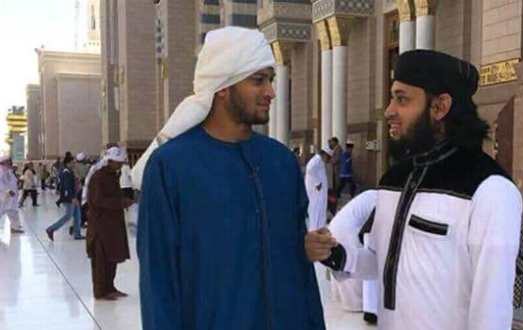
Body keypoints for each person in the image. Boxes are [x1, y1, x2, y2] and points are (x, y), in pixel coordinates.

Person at [306, 50, 523, 330]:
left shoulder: (489, 190)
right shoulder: (394, 180)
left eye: (402, 99)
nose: (389, 111)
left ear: (439, 107)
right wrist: (334, 254)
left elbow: (491, 311)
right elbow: (381, 262)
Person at [135, 27, 324, 330]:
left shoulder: (280, 162)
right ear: (222, 86)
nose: (270, 92)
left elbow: (301, 273)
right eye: (258, 80)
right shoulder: (171, 167)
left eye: (270, 80)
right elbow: (158, 281)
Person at [86, 147, 132, 301]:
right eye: (117, 163)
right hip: (100, 227)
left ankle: (110, 288)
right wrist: (121, 203)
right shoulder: (98, 177)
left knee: (112, 258)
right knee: (101, 261)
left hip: (112, 226)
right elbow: (98, 201)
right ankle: (100, 292)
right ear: (110, 161)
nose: (119, 165)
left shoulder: (112, 176)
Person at [328, 190, 377, 317]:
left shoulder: (372, 194)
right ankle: (359, 306)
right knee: (355, 267)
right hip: (348, 231)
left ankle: (351, 302)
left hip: (336, 226)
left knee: (345, 266)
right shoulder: (379, 201)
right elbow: (369, 231)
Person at [46, 155, 84, 240]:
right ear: (68, 163)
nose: (74, 164)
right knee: (68, 216)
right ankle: (51, 229)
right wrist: (72, 197)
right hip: (69, 198)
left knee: (77, 215)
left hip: (74, 196)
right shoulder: (66, 172)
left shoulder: (70, 171)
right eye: (73, 162)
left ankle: (77, 234)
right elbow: (67, 186)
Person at [305, 147, 333, 231]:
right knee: (316, 214)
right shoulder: (316, 161)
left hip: (319, 195)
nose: (328, 161)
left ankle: (319, 230)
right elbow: (310, 169)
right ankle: (315, 232)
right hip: (316, 195)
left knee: (319, 213)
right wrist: (317, 183)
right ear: (324, 155)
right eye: (328, 158)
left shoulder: (319, 161)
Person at [0, 153, 24, 234]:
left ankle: (15, 227)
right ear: (4, 162)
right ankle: (15, 226)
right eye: (8, 161)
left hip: (11, 197)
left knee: (13, 211)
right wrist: (7, 190)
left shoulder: (8, 170)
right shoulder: (1, 171)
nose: (10, 162)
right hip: (4, 197)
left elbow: (13, 181)